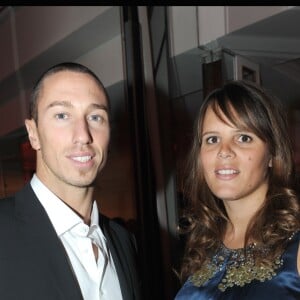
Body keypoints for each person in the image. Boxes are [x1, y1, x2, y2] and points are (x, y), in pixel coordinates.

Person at [0, 62, 141, 300]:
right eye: (62, 115)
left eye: (96, 117)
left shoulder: (123, 241)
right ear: (33, 133)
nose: (83, 135)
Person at [175, 80, 300, 299]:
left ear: (271, 154)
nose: (224, 151)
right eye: (212, 139)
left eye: (243, 138)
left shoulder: (296, 245)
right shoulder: (203, 245)